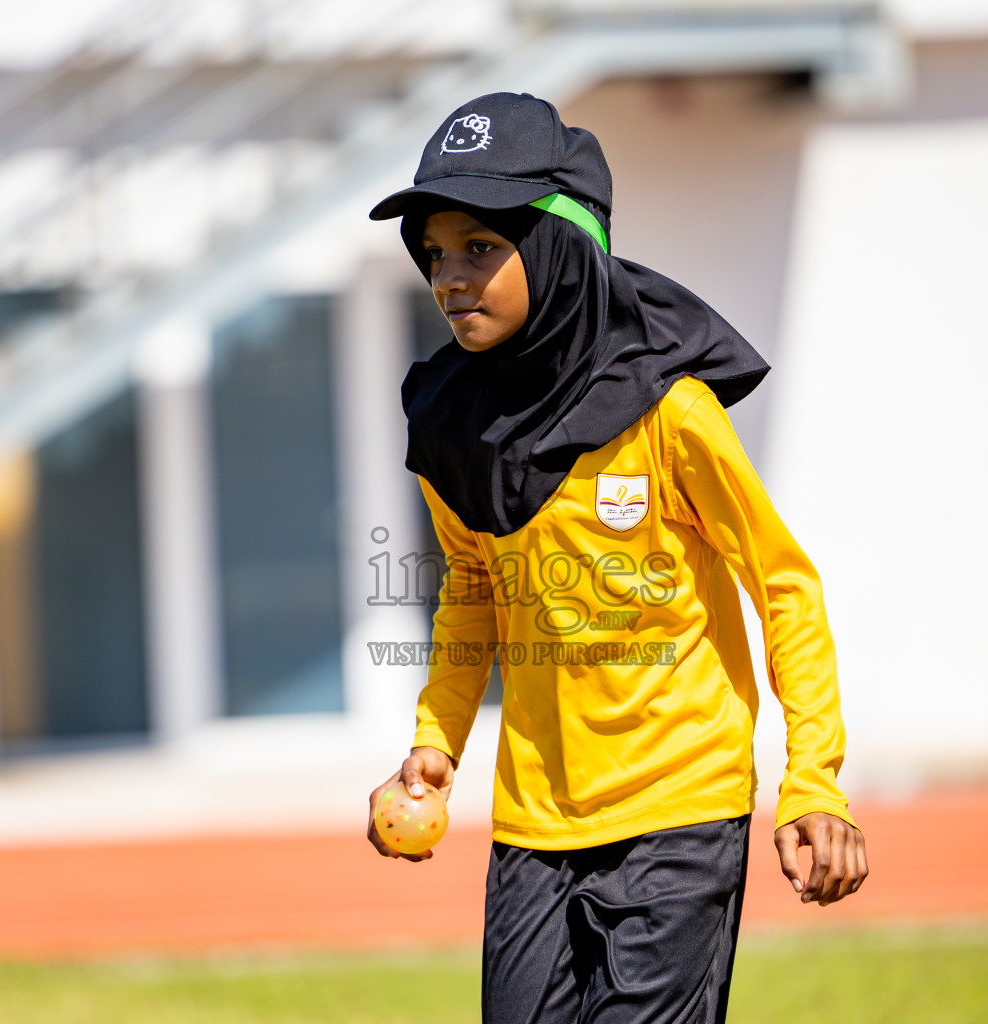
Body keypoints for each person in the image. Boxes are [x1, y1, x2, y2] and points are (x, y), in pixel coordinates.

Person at [363, 92, 867, 1023]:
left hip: (680, 802)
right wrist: (436, 742)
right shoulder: (450, 427)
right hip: (533, 820)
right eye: (434, 253)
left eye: (480, 246)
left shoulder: (670, 410)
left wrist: (813, 777)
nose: (449, 277)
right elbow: (471, 592)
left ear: (557, 244)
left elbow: (784, 585)